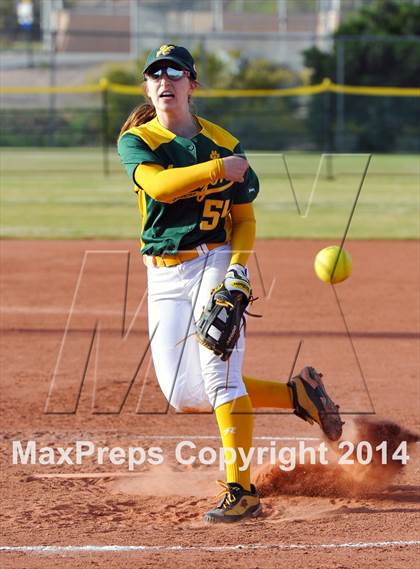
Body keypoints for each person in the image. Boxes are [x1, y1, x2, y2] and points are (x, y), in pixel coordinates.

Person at [118, 44, 343, 523]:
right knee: (185, 396)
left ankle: (242, 491)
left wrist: (237, 269)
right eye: (154, 75)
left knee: (218, 371)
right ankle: (297, 395)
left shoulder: (224, 140)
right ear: (147, 87)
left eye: (174, 74)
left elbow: (243, 219)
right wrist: (222, 170)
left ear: (191, 85)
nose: (164, 82)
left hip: (214, 262)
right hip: (162, 274)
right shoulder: (138, 141)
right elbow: (159, 187)